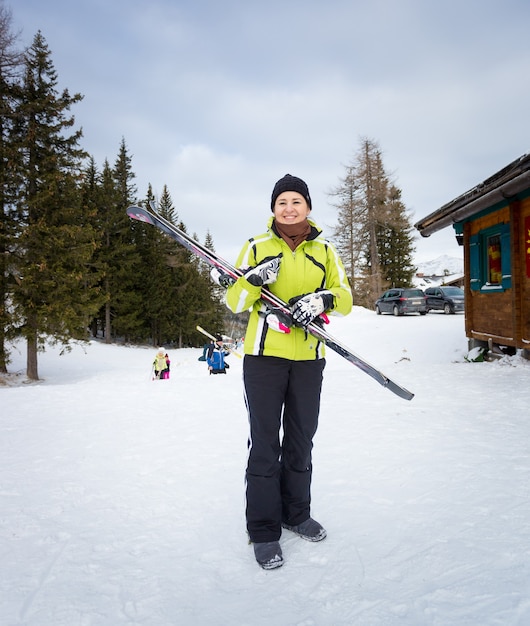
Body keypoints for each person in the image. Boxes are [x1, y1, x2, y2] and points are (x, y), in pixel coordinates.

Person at [224, 173, 352, 569]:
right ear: (273, 209)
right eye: (282, 202)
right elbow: (234, 301)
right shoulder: (256, 246)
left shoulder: (326, 250)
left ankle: (296, 513)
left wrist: (322, 300)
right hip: (264, 358)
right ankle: (263, 529)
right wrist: (253, 279)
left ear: (308, 207)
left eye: (297, 201)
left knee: (301, 439)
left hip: (310, 359)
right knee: (265, 444)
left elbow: (345, 297)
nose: (289, 207)